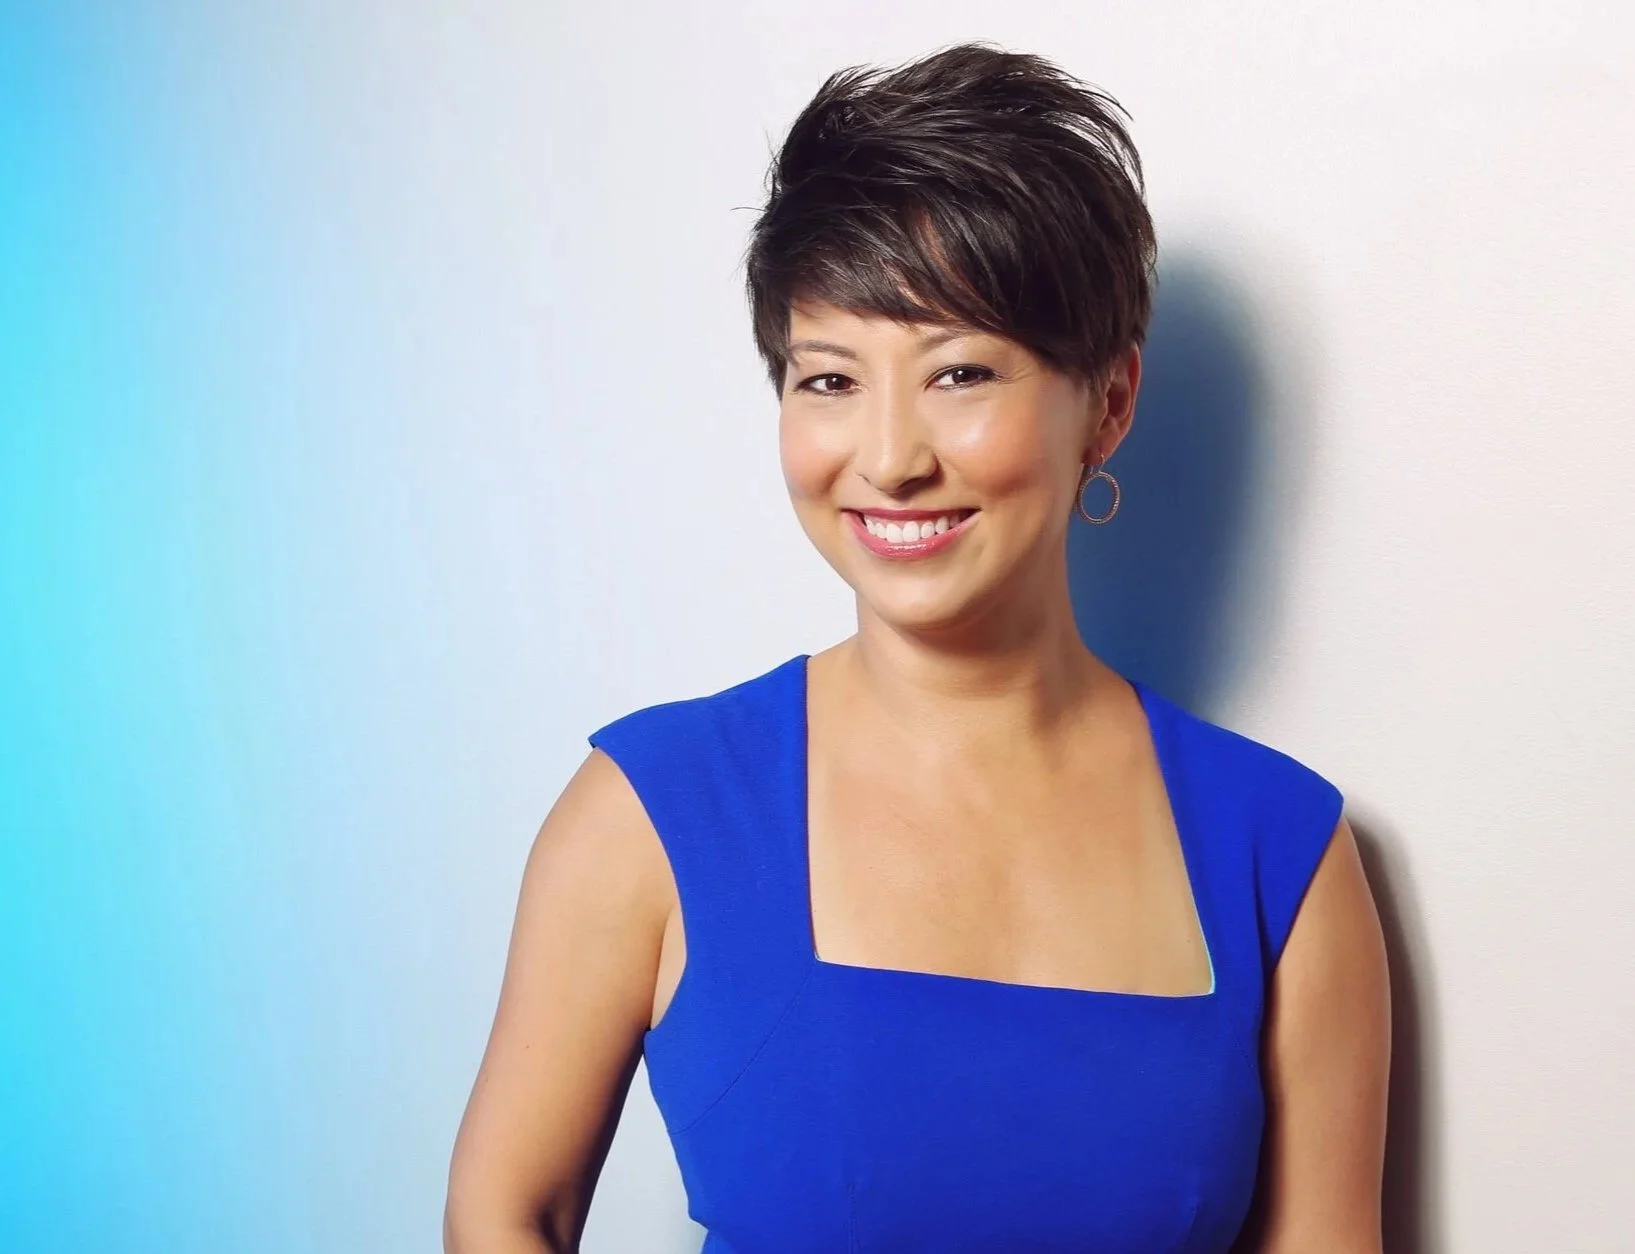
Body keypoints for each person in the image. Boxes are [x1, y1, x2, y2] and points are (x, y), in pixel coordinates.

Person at [444, 41, 1390, 1254]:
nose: (888, 457)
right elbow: (502, 1211)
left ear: (1107, 402)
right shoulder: (653, 811)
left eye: (958, 373)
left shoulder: (1280, 858)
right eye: (827, 380)